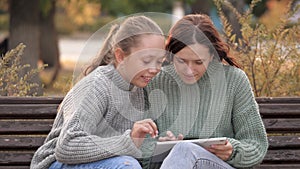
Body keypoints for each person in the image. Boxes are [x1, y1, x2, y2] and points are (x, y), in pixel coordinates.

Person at [30, 15, 166, 169]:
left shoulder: (138, 89)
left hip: (106, 163)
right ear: (120, 56)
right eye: (146, 61)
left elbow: (126, 146)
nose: (155, 69)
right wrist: (127, 141)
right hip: (58, 163)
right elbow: (67, 147)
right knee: (127, 166)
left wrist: (158, 145)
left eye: (160, 61)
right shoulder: (97, 86)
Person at [142, 14, 268, 169]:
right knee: (181, 151)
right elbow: (141, 146)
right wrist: (160, 149)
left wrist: (232, 151)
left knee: (184, 150)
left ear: (212, 55)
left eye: (198, 62)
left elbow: (256, 144)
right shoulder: (155, 82)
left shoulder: (234, 80)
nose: (189, 70)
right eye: (181, 61)